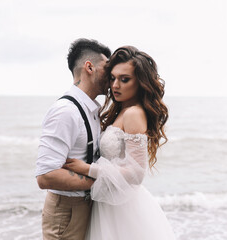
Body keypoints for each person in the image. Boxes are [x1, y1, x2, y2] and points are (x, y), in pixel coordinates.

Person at [63, 46, 176, 240]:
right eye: (113, 78)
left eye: (125, 80)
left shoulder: (133, 114)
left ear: (140, 83)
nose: (115, 85)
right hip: (110, 203)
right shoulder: (121, 111)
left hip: (124, 208)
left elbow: (136, 173)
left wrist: (87, 169)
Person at [35, 38, 111, 240]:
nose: (111, 76)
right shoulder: (66, 111)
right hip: (66, 212)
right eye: (107, 68)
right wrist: (100, 182)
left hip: (86, 207)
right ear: (89, 67)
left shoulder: (92, 109)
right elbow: (45, 175)